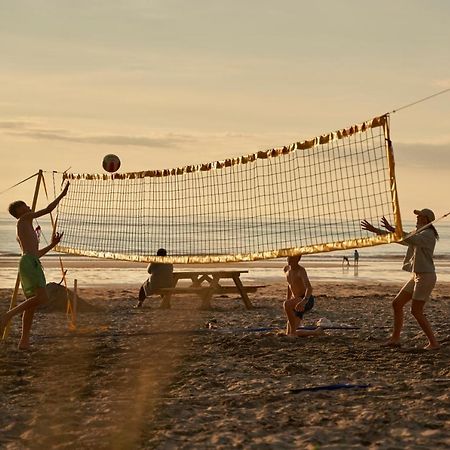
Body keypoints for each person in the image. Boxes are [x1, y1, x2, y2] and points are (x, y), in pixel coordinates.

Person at [0, 182, 69, 349]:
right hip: (30, 263)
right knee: (42, 298)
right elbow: (47, 210)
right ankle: (7, 315)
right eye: (24, 205)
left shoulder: (26, 225)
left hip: (31, 261)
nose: (28, 206)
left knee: (31, 305)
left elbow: (36, 254)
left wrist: (53, 244)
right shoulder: (23, 220)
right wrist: (62, 195)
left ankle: (24, 341)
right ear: (18, 212)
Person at [361, 209, 440, 350]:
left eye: (420, 216)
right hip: (417, 275)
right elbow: (400, 239)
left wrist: (393, 228)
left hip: (426, 276)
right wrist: (377, 230)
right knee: (397, 304)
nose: (417, 218)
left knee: (416, 311)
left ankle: (433, 343)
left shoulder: (428, 235)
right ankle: (395, 339)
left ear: (426, 219)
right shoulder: (419, 233)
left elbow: (406, 238)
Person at [283, 255, 324, 337]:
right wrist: (288, 300)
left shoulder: (301, 271)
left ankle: (294, 333)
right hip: (295, 301)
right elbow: (289, 285)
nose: (290, 259)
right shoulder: (287, 269)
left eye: (293, 258)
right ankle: (315, 332)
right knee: (289, 333)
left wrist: (303, 301)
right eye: (289, 257)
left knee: (286, 304)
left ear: (298, 259)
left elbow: (309, 288)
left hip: (306, 299)